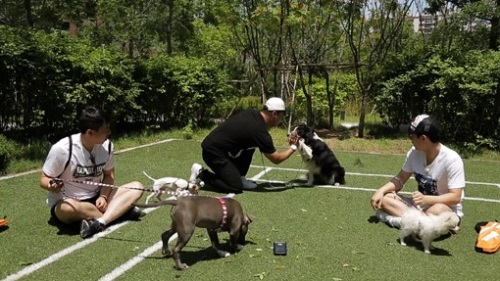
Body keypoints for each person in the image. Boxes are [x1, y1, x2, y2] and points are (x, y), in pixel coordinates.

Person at [39, 106, 145, 239]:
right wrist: (51, 185)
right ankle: (119, 212)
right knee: (67, 209)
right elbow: (44, 178)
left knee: (137, 187)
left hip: (97, 199)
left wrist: (103, 197)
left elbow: (109, 175)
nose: (109, 132)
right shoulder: (62, 149)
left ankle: (99, 222)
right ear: (90, 132)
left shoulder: (107, 146)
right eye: (105, 130)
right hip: (71, 203)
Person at [370, 114, 465, 230]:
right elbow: (401, 178)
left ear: (423, 138)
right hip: (418, 207)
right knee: (386, 198)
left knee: (438, 210)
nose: (410, 140)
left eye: (411, 136)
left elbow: (455, 197)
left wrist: (426, 199)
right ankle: (419, 223)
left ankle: (405, 221)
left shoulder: (452, 159)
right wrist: (381, 190)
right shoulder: (414, 153)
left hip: (444, 209)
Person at [189, 97, 300, 193]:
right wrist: (293, 147)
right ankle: (201, 173)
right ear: (274, 114)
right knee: (235, 187)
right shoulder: (259, 131)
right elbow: (276, 159)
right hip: (213, 152)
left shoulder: (252, 114)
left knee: (251, 144)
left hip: (224, 148)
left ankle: (240, 177)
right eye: (282, 116)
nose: (281, 119)